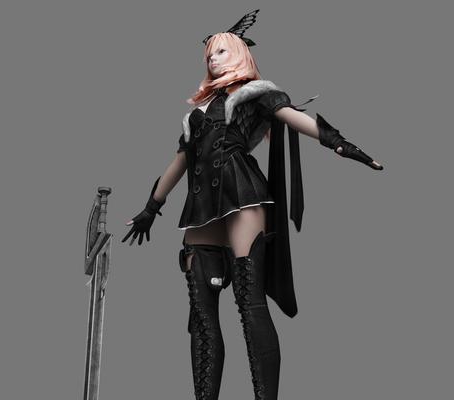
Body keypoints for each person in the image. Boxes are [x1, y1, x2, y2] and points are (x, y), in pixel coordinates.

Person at [122, 10, 383, 400]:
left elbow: (294, 119)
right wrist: (151, 207)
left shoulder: (255, 94)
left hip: (242, 194)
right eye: (209, 54)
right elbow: (179, 164)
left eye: (221, 51)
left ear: (241, 53)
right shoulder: (196, 115)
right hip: (201, 205)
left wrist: (341, 144)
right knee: (202, 314)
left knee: (250, 302)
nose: (213, 59)